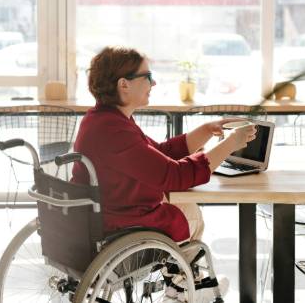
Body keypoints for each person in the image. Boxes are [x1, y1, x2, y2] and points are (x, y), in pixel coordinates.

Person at [71, 46, 256, 299]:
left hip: (106, 213)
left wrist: (204, 130)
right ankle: (186, 286)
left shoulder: (103, 120)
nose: (153, 82)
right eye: (147, 76)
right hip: (120, 224)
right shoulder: (115, 130)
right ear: (124, 84)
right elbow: (174, 176)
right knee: (191, 214)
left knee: (186, 208)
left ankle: (181, 283)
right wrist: (229, 145)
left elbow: (158, 152)